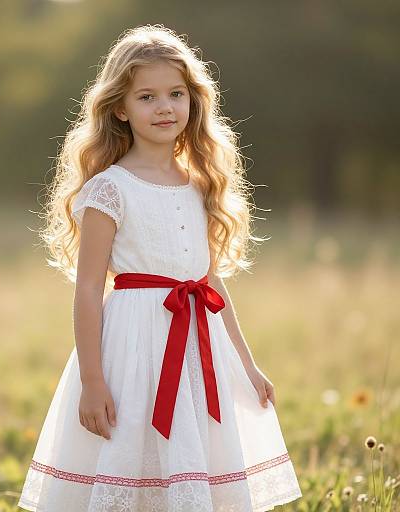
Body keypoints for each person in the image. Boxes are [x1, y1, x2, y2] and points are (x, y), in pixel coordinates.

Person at [18, 24, 302, 512]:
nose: (164, 107)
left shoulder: (199, 184)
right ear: (120, 109)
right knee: (130, 459)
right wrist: (92, 380)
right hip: (131, 346)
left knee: (194, 465)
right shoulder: (110, 189)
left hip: (198, 345)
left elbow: (209, 282)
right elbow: (88, 290)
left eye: (175, 94)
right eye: (147, 96)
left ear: (193, 101)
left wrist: (248, 365)